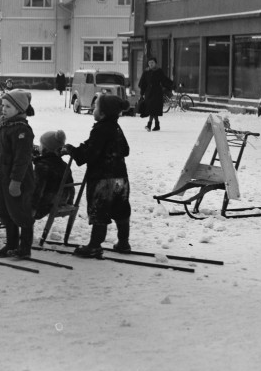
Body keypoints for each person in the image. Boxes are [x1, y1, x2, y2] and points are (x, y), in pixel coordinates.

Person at [63, 94, 131, 257]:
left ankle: (94, 245)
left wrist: (72, 150)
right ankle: (123, 243)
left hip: (102, 180)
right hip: (120, 178)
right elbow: (125, 150)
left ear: (103, 113)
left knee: (100, 211)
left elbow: (90, 153)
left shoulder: (100, 129)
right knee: (121, 210)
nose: (93, 110)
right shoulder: (115, 127)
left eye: (96, 107)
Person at [0, 90, 36, 258]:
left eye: (8, 106)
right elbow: (1, 149)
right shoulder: (6, 125)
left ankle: (25, 248)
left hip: (18, 180)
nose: (3, 109)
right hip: (3, 177)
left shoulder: (22, 130)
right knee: (5, 212)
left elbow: (22, 159)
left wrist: (16, 181)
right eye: (3, 105)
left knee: (21, 213)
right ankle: (11, 244)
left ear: (19, 109)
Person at [31, 129, 74, 222]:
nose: (39, 147)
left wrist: (31, 207)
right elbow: (71, 187)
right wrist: (70, 201)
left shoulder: (43, 166)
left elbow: (37, 189)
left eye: (41, 144)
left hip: (45, 205)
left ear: (45, 148)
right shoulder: (64, 165)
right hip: (62, 201)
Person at [138, 56, 172, 132]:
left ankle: (149, 125)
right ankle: (157, 125)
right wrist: (141, 94)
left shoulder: (159, 71)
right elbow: (143, 83)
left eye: (152, 62)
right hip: (148, 92)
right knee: (153, 109)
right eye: (149, 63)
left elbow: (164, 80)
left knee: (152, 108)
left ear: (155, 63)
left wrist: (171, 85)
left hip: (157, 92)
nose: (151, 64)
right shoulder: (146, 72)